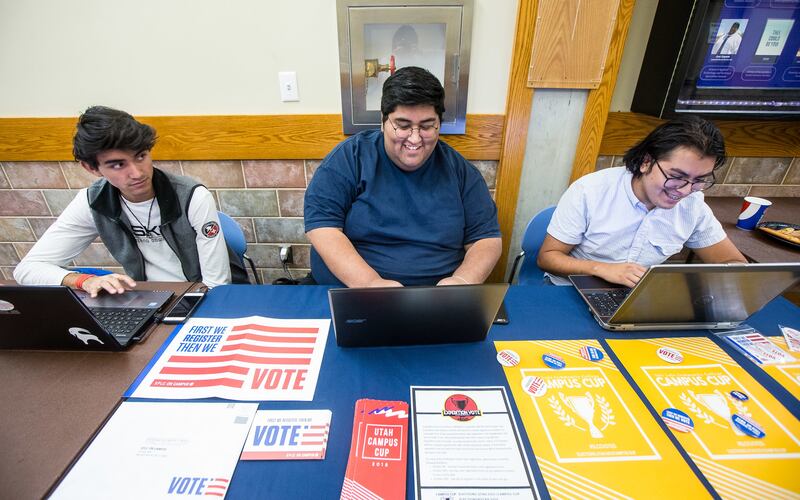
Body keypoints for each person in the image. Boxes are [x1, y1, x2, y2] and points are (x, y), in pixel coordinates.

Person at [304, 66, 501, 287]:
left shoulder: (461, 171)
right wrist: (370, 283)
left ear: (439, 123)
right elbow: (322, 228)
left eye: (427, 126)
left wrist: (461, 281)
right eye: (403, 126)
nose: (415, 139)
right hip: (353, 293)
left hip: (437, 301)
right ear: (384, 120)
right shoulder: (351, 157)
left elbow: (486, 240)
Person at [14, 106, 243, 296]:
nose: (137, 173)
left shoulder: (192, 196)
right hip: (148, 299)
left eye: (141, 156)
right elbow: (27, 270)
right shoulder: (92, 202)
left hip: (200, 294)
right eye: (117, 164)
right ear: (92, 168)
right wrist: (82, 280)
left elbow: (217, 286)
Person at [538, 115, 746, 287]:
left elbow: (734, 263)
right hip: (573, 289)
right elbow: (548, 257)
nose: (684, 190)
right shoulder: (591, 191)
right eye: (676, 176)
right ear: (647, 162)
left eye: (699, 180)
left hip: (638, 298)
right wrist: (600, 269)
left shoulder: (693, 205)